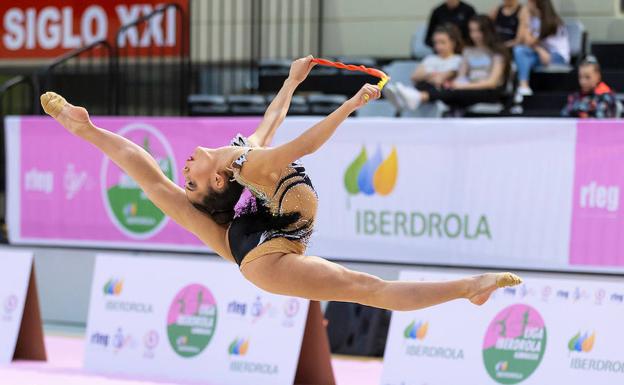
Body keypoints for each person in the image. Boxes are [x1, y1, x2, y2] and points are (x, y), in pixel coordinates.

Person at [40, 56, 521, 312]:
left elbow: (272, 120)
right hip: (263, 261)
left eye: (184, 177)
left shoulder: (243, 162)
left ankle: (471, 289)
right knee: (367, 287)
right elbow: (137, 163)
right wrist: (83, 127)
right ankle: (469, 288)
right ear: (216, 181)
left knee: (263, 158)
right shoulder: (220, 199)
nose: (181, 173)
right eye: (190, 181)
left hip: (278, 222)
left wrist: (292, 82)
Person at [395, 15, 509, 112]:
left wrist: (464, 86)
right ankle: (414, 96)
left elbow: (492, 82)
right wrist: (454, 84)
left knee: (455, 92)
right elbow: (462, 76)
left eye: (479, 31)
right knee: (445, 88)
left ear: (487, 31)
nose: (475, 35)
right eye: (472, 31)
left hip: (487, 90)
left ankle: (418, 97)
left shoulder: (498, 52)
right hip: (469, 87)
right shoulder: (468, 51)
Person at [384, 24, 463, 110]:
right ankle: (407, 97)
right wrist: (433, 75)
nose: (438, 46)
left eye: (442, 42)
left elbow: (439, 80)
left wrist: (427, 75)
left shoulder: (458, 60)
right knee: (421, 84)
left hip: (440, 92)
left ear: (453, 43)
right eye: (436, 43)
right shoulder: (430, 58)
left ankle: (409, 98)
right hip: (425, 86)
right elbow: (415, 76)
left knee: (434, 87)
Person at [513, 0, 570, 96]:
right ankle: (523, 86)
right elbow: (519, 40)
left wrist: (525, 21)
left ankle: (523, 85)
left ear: (536, 4)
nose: (526, 5)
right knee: (519, 51)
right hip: (541, 54)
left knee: (523, 56)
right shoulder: (534, 19)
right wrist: (539, 50)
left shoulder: (551, 21)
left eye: (529, 2)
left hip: (558, 56)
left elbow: (529, 42)